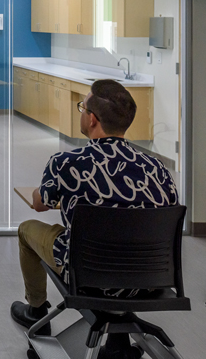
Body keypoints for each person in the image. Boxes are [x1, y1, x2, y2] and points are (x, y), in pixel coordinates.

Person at [10, 80, 178, 359]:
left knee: (27, 229)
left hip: (88, 272)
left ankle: (36, 310)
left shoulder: (67, 163)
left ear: (91, 119)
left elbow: (40, 203)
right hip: (150, 276)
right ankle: (117, 339)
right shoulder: (157, 168)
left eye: (82, 107)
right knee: (125, 243)